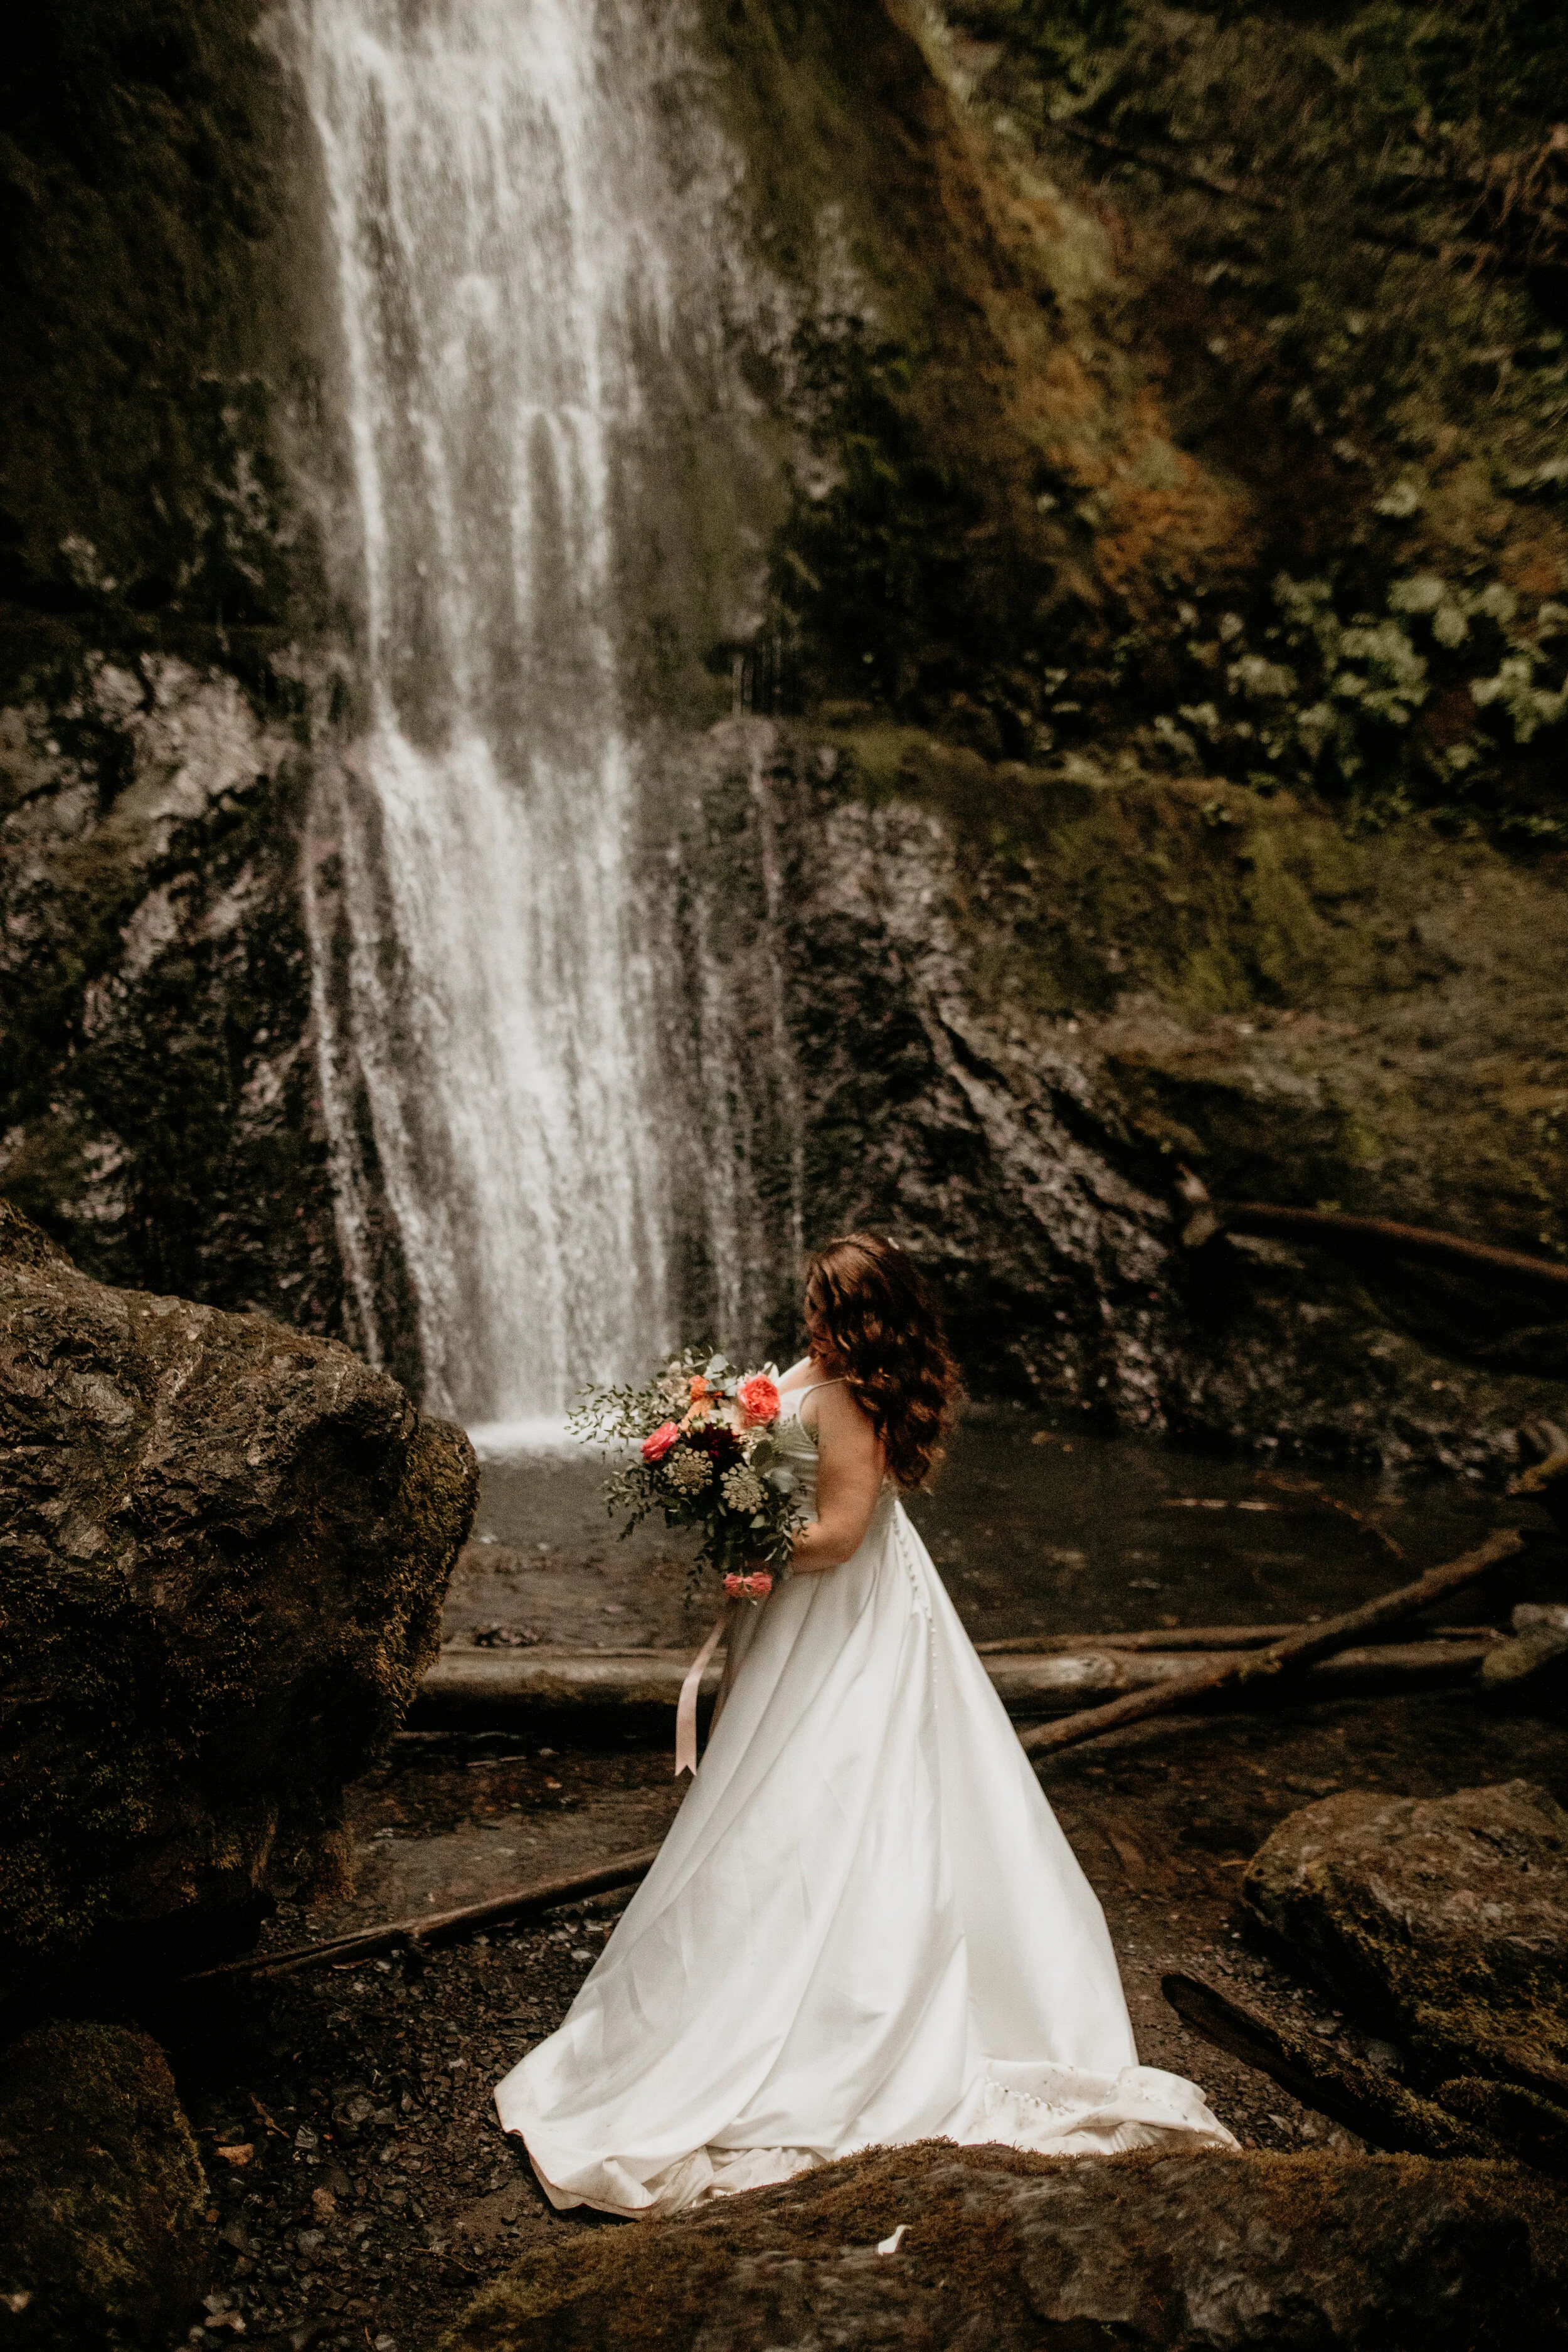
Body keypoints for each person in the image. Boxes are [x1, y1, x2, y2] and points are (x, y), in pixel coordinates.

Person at [494, 1232, 1233, 2215]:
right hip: (813, 1613)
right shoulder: (831, 1374)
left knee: (832, 1784)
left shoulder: (846, 1402)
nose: (807, 1319)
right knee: (788, 1779)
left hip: (840, 1617)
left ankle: (828, 2006)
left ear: (856, 1317)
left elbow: (838, 1537)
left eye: (822, 1305)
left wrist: (746, 1539)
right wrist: (708, 1442)